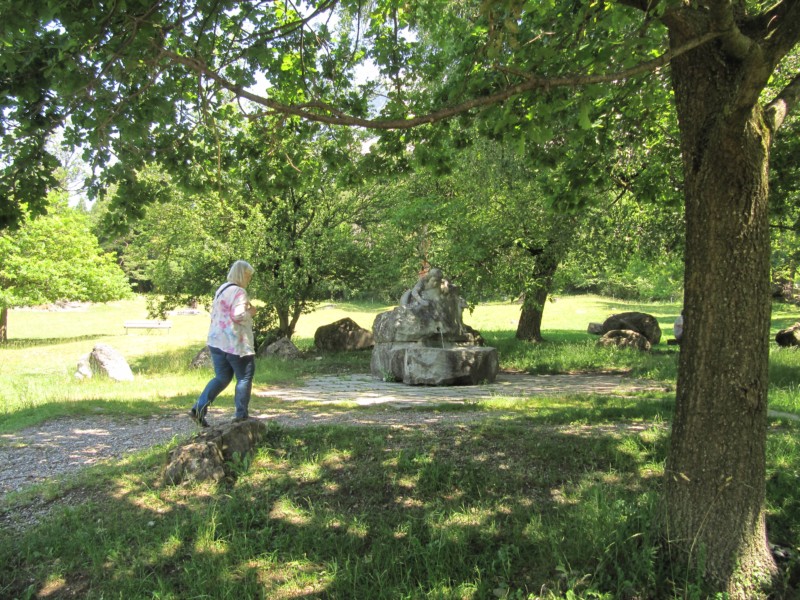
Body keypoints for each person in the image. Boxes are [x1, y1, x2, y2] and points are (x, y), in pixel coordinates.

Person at [189, 260, 257, 427]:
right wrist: (251, 312)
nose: (248, 280)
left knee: (222, 377)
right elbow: (238, 316)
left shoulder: (222, 288)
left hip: (216, 341)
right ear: (242, 275)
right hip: (235, 343)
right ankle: (241, 415)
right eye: (248, 276)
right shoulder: (239, 292)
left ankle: (199, 408)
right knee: (244, 377)